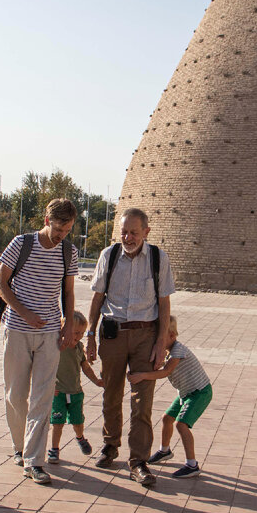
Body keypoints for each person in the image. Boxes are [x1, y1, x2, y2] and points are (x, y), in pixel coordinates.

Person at [86, 207, 174, 488]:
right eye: (124, 231)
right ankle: (110, 445)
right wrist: (89, 334)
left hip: (145, 336)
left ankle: (139, 461)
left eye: (134, 232)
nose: (128, 237)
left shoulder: (158, 259)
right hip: (112, 334)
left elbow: (164, 304)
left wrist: (161, 343)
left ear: (146, 232)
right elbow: (97, 298)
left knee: (142, 400)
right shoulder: (109, 256)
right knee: (111, 393)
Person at [0, 198, 79, 485]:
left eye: (67, 231)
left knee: (43, 398)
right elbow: (1, 283)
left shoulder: (69, 252)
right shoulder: (22, 244)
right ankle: (20, 447)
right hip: (18, 329)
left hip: (50, 334)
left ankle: (34, 460)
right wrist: (24, 312)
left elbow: (68, 292)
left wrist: (68, 325)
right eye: (59, 229)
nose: (62, 236)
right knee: (16, 395)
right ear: (46, 220)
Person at [129, 315, 211, 478]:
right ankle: (164, 451)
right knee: (167, 418)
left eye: (160, 337)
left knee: (181, 425)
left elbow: (166, 372)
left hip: (200, 392)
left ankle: (192, 464)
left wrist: (143, 375)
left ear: (172, 336)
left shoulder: (178, 350)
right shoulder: (167, 351)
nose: (156, 341)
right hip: (186, 392)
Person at [48, 311, 103, 465]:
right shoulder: (56, 347)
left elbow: (85, 367)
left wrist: (96, 381)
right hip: (58, 392)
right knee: (57, 422)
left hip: (75, 392)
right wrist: (49, 386)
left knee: (77, 421)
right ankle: (54, 449)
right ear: (64, 330)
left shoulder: (79, 348)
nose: (78, 336)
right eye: (75, 332)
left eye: (81, 333)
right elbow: (45, 367)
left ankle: (80, 438)